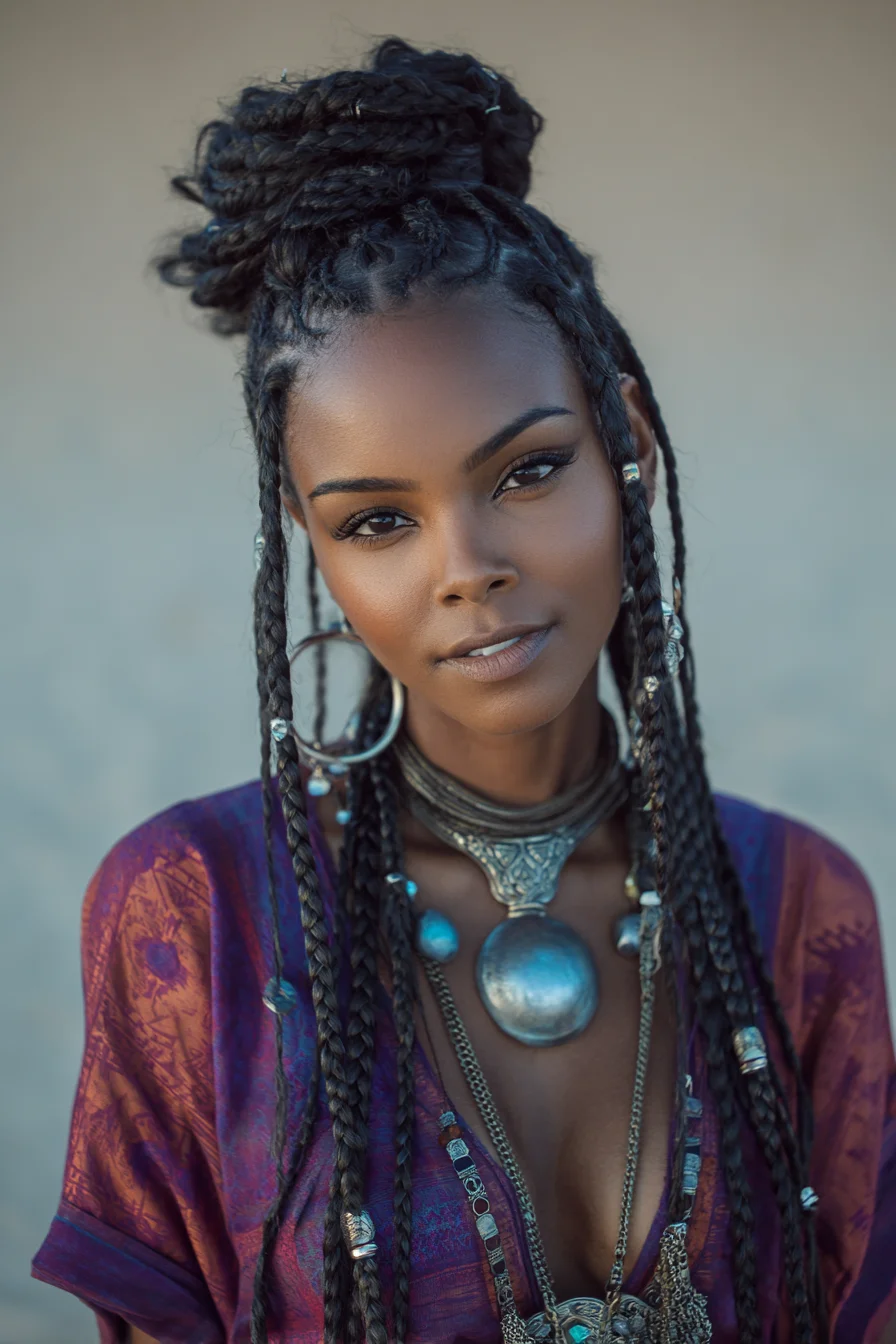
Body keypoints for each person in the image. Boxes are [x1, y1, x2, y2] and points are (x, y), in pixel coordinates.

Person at [31, 38, 895, 1344]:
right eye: (379, 522)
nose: (470, 571)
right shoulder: (195, 914)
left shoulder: (796, 908)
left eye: (528, 472)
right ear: (309, 543)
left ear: (629, 444)